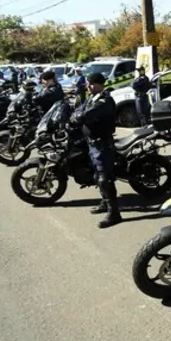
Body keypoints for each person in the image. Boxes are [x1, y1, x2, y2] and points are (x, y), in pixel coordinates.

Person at [69, 73, 121, 228]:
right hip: (92, 143)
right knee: (97, 175)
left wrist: (78, 117)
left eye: (92, 84)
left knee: (104, 179)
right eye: (88, 83)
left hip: (102, 145)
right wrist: (75, 117)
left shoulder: (104, 101)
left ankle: (114, 214)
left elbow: (84, 115)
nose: (88, 86)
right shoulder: (92, 98)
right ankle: (105, 203)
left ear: (100, 84)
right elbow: (77, 111)